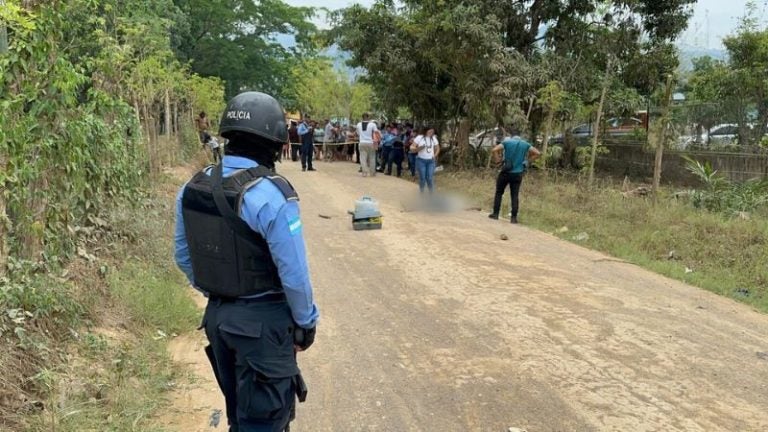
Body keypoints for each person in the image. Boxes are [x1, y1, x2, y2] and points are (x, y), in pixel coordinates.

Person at [174, 91, 319, 432]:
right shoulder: (272, 194)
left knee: (238, 416)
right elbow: (294, 275)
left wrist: (222, 289)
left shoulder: (193, 186)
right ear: (275, 145)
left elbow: (182, 255)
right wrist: (306, 322)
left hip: (218, 319)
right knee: (265, 422)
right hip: (262, 326)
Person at [488, 128, 541, 224]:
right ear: (520, 136)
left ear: (512, 136)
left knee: (499, 192)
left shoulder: (507, 142)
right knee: (514, 195)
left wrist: (498, 160)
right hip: (517, 174)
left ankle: (495, 214)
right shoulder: (525, 144)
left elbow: (494, 150)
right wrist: (527, 161)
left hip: (505, 172)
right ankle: (513, 218)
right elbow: (537, 153)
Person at [413, 126, 439, 194]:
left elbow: (438, 148)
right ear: (426, 131)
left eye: (433, 132)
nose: (431, 133)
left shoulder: (434, 138)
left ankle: (431, 194)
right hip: (421, 161)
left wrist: (435, 155)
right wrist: (417, 149)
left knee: (429, 178)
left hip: (431, 161)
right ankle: (422, 193)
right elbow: (412, 146)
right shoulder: (419, 137)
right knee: (423, 178)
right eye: (430, 131)